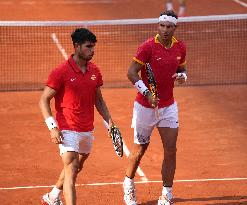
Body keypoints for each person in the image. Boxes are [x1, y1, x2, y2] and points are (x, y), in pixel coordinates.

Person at [39, 28, 115, 205]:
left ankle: (52, 196)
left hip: (87, 128)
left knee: (76, 166)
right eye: (88, 46)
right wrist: (53, 127)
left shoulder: (95, 71)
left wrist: (110, 122)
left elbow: (99, 100)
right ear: (77, 46)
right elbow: (44, 100)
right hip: (67, 128)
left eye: (93, 47)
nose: (92, 50)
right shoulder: (61, 72)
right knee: (72, 170)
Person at [123, 10, 187, 205]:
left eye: (169, 27)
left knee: (171, 150)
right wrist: (147, 93)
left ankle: (167, 194)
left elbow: (182, 70)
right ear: (158, 26)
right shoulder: (147, 47)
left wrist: (183, 77)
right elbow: (132, 73)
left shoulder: (180, 47)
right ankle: (128, 184)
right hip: (144, 107)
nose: (165, 30)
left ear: (175, 28)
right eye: (162, 26)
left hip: (168, 107)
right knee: (139, 150)